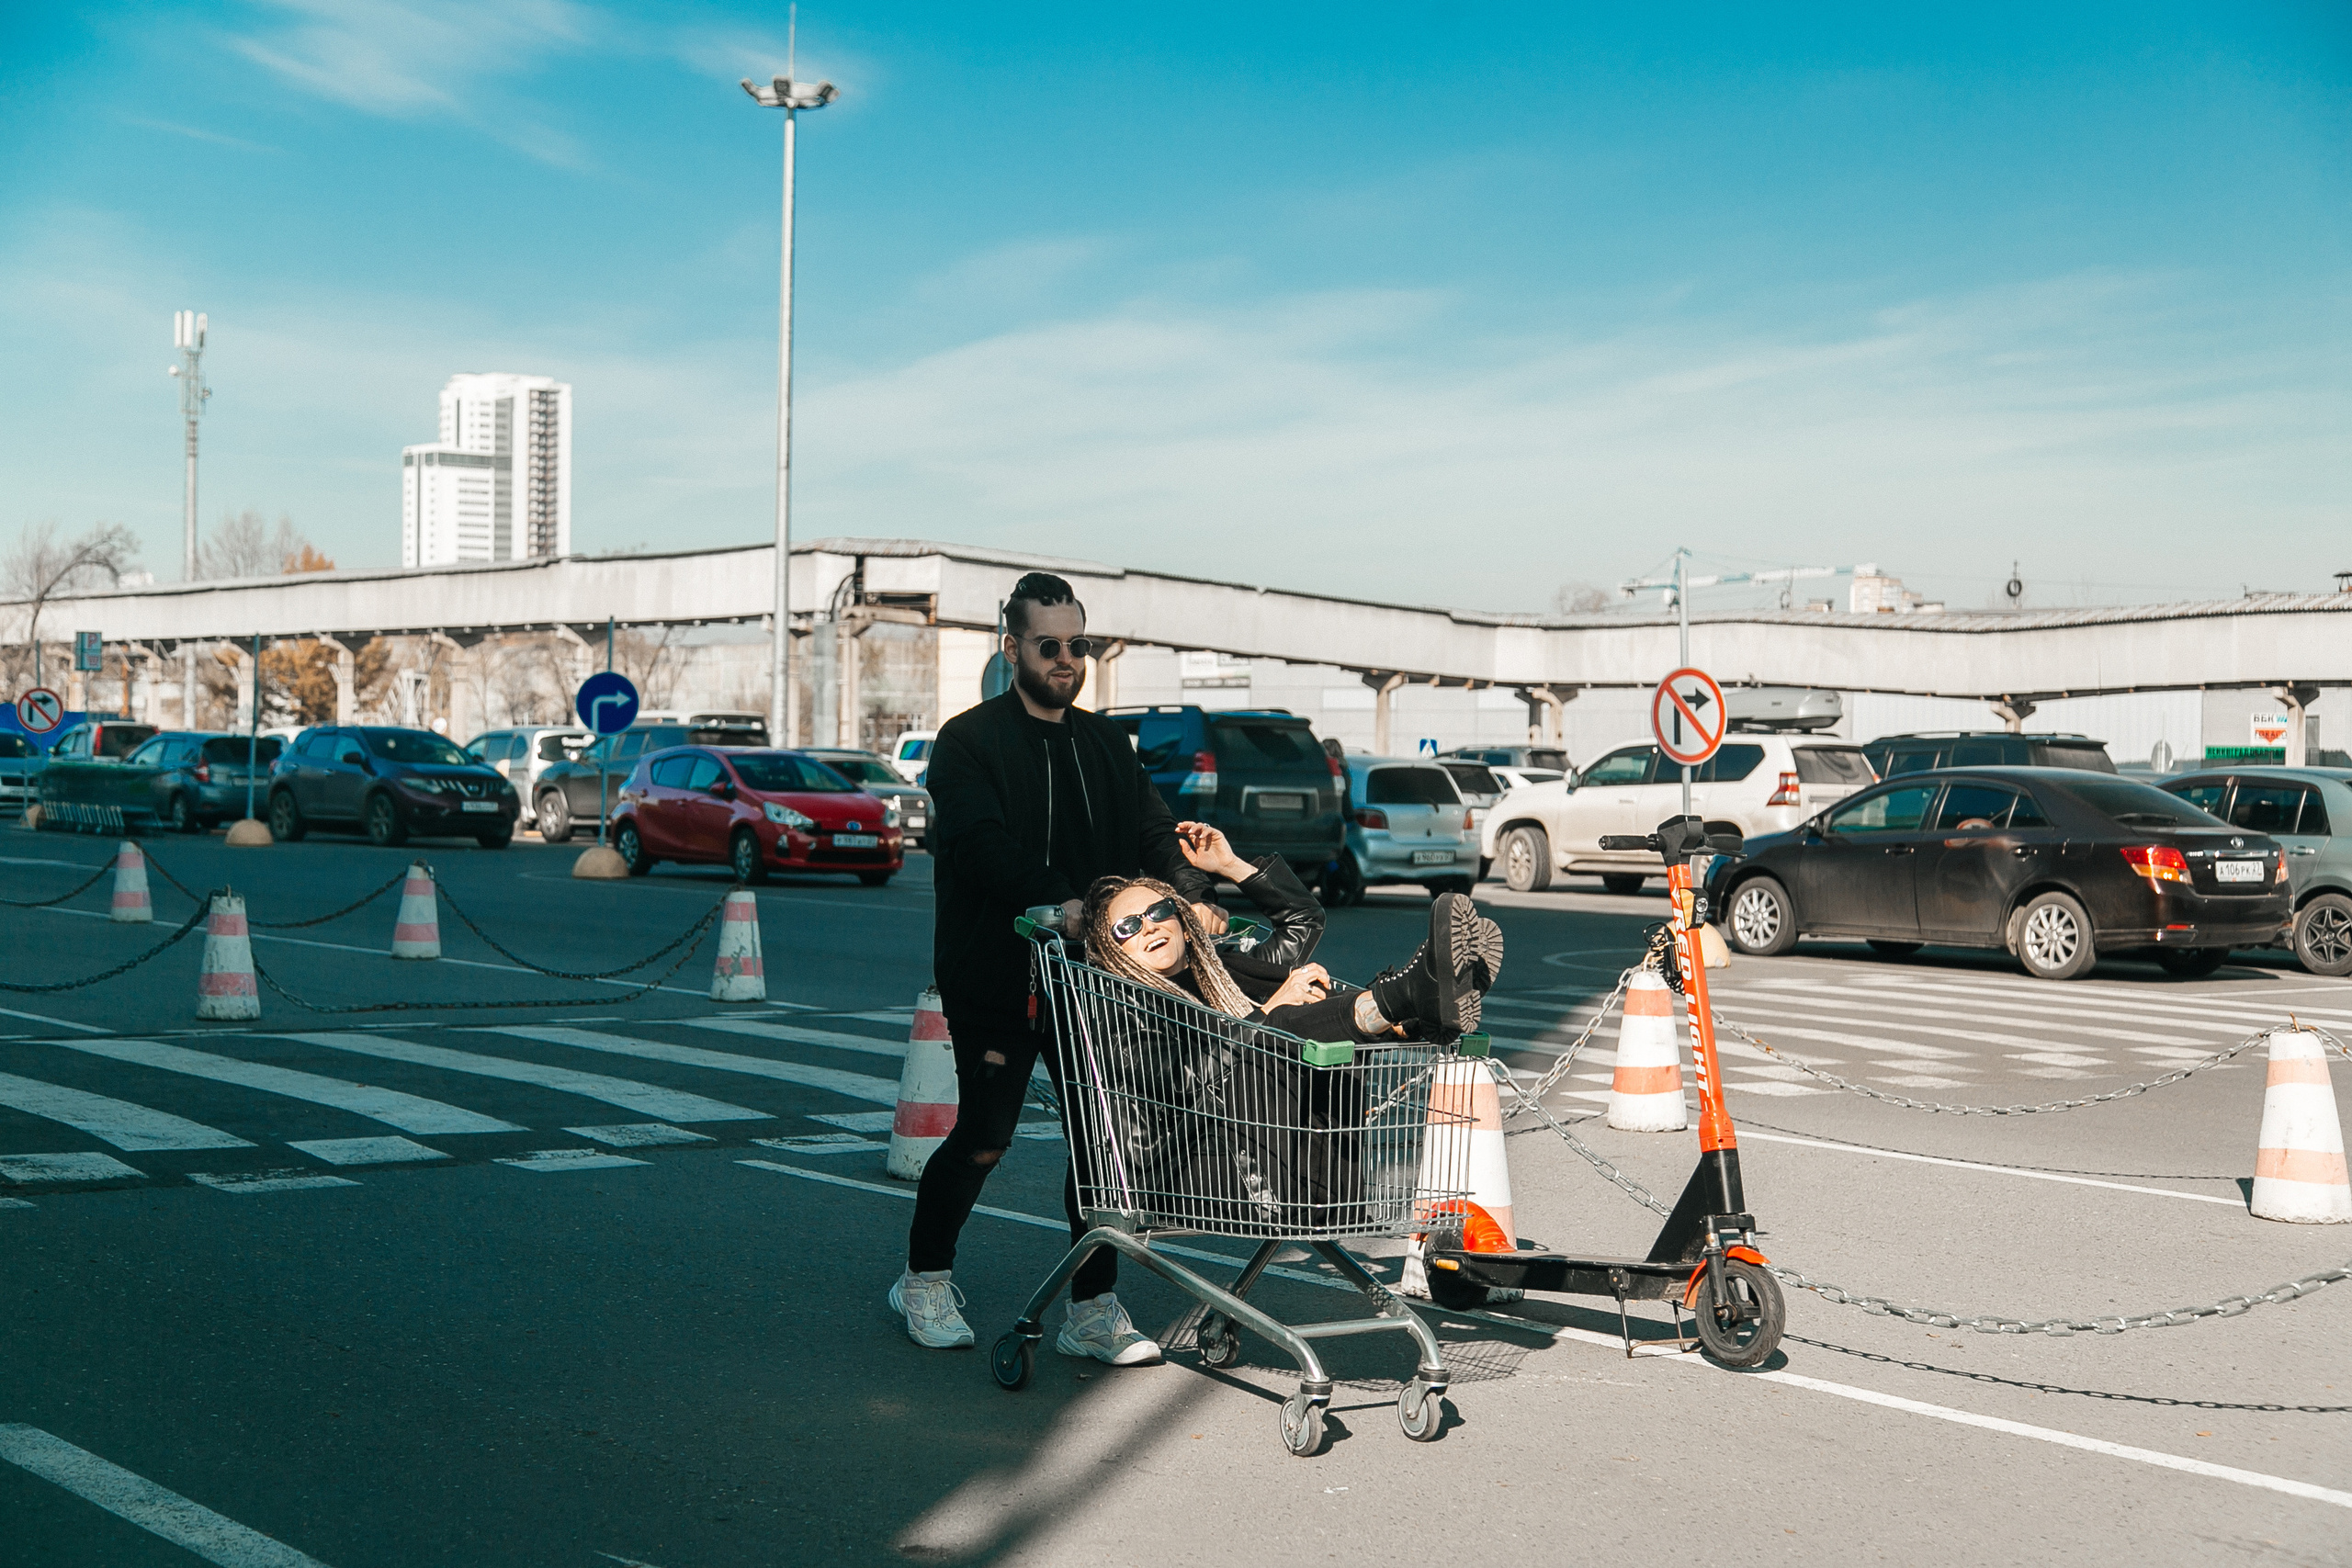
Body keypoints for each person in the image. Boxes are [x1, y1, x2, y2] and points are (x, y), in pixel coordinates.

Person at [892, 570, 1231, 1364]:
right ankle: (924, 1278)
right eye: (1049, 646)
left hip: (1094, 978)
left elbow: (1152, 835)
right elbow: (978, 845)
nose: (1066, 659)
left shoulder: (1105, 744)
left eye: (1078, 645)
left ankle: (1092, 1307)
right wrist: (1059, 901)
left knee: (1104, 1136)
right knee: (985, 1132)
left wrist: (1193, 896)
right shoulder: (969, 741)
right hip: (994, 974)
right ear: (1012, 647)